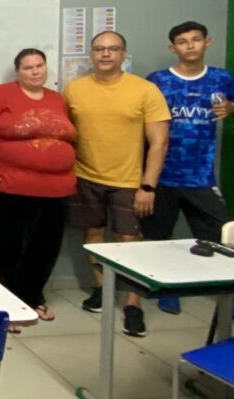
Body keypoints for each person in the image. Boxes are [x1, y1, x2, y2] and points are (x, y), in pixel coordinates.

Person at [63, 31, 170, 337]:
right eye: (99, 49)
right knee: (93, 235)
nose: (105, 54)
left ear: (124, 54)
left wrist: (148, 186)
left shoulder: (145, 90)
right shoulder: (75, 89)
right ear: (91, 54)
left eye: (113, 49)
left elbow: (159, 142)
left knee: (128, 241)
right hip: (85, 176)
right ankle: (102, 289)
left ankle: (133, 303)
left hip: (129, 181)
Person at [0, 49, 76, 329]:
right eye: (28, 67)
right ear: (18, 71)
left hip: (57, 189)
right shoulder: (0, 95)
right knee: (8, 248)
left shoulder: (57, 99)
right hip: (10, 186)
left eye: (39, 66)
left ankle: (32, 298)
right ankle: (4, 305)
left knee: (45, 247)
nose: (35, 71)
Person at [142, 21, 234, 315]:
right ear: (173, 48)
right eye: (183, 41)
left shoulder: (222, 78)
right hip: (162, 174)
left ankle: (226, 295)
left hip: (201, 175)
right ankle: (167, 291)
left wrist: (232, 107)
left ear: (208, 42)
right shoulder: (157, 80)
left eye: (196, 39)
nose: (190, 45)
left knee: (222, 236)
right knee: (157, 239)